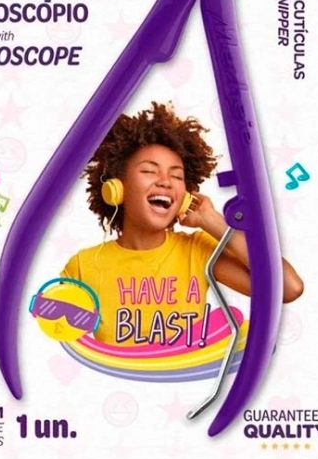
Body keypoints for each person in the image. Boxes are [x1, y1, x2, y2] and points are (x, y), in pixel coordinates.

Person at [61, 101, 303, 347]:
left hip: (189, 373)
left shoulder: (197, 250)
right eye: (149, 171)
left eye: (177, 176)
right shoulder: (83, 265)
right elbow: (59, 329)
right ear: (117, 188)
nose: (166, 182)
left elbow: (289, 287)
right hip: (119, 373)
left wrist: (215, 223)